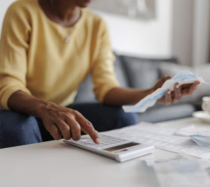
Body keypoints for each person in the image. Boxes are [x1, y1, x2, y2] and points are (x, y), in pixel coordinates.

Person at [0, 0, 200, 149]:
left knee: (124, 118)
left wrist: (152, 93)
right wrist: (46, 108)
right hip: (20, 109)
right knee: (20, 129)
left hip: (62, 109)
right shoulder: (23, 11)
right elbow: (9, 85)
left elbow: (106, 89)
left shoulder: (96, 25)